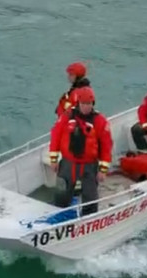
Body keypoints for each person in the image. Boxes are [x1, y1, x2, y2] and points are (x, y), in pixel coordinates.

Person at [48, 86, 113, 216]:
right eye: (83, 103)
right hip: (68, 163)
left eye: (88, 104)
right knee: (61, 193)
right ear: (78, 103)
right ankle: (59, 212)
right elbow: (56, 135)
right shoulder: (67, 116)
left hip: (89, 165)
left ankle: (90, 218)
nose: (86, 107)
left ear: (93, 104)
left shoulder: (99, 120)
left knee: (90, 197)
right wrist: (53, 159)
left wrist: (103, 170)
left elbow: (106, 145)